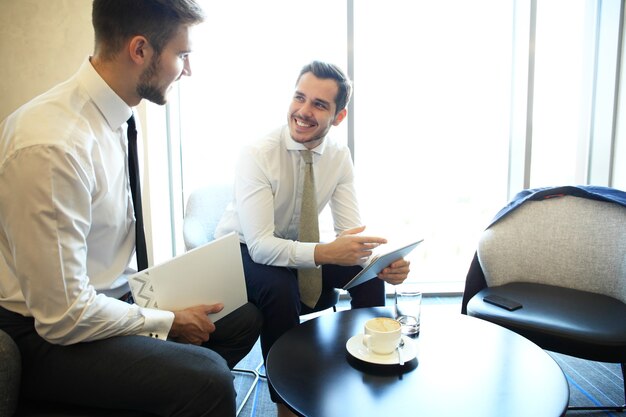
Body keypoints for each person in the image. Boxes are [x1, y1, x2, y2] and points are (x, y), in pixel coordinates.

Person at [0, 1, 261, 416]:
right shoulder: (52, 147)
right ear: (140, 50)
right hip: (46, 335)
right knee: (209, 380)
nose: (187, 70)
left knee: (243, 316)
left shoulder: (116, 115)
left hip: (110, 295)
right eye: (182, 54)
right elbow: (63, 316)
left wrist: (157, 310)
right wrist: (165, 320)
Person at [214, 60, 410, 417]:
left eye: (319, 105)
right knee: (278, 287)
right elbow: (260, 245)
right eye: (299, 98)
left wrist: (380, 264)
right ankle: (286, 403)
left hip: (297, 245)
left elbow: (351, 233)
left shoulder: (339, 156)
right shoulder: (258, 153)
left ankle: (370, 369)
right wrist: (324, 252)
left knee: (363, 276)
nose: (303, 112)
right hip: (242, 250)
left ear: (339, 116)